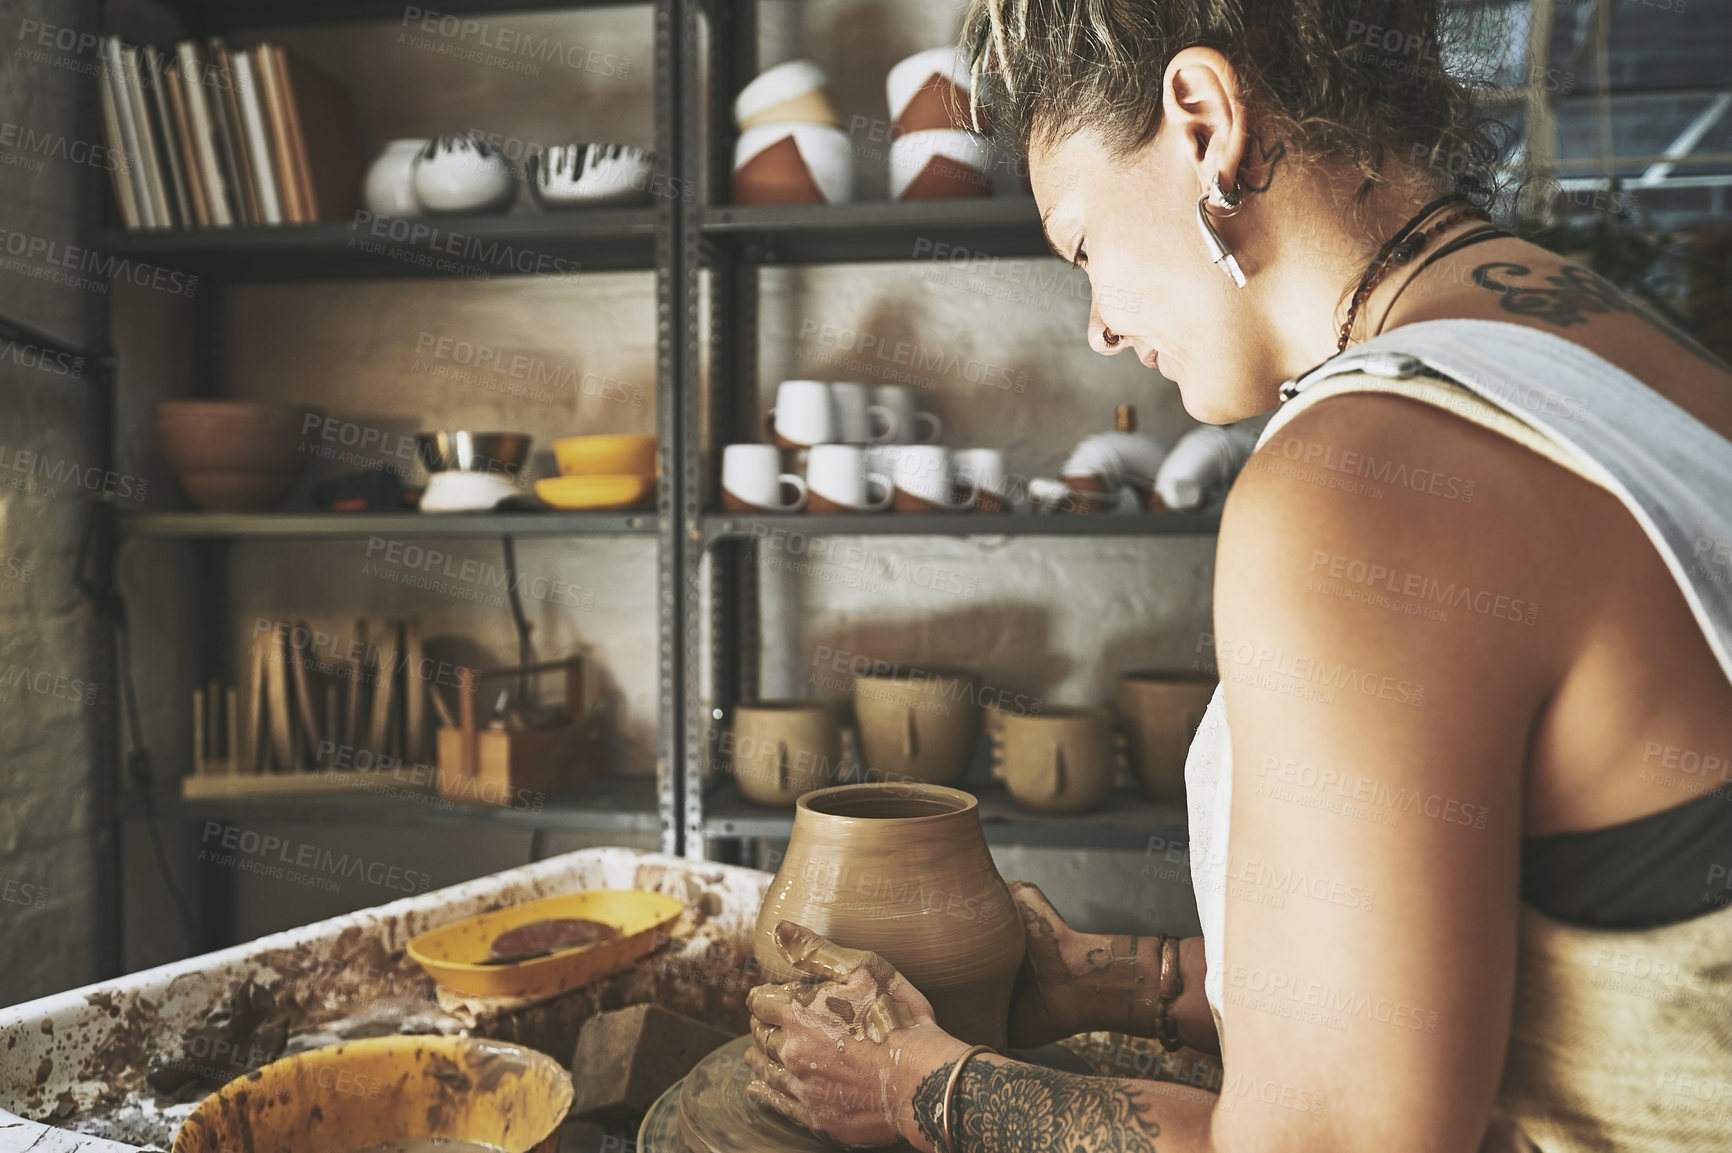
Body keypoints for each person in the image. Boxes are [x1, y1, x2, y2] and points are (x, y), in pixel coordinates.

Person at [745, 2, 1732, 1151]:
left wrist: (918, 1086)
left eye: (1081, 247)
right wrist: (1144, 976)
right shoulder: (1620, 350)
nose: (1099, 329)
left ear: (1204, 123)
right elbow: (1563, 922)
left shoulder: (1363, 478)